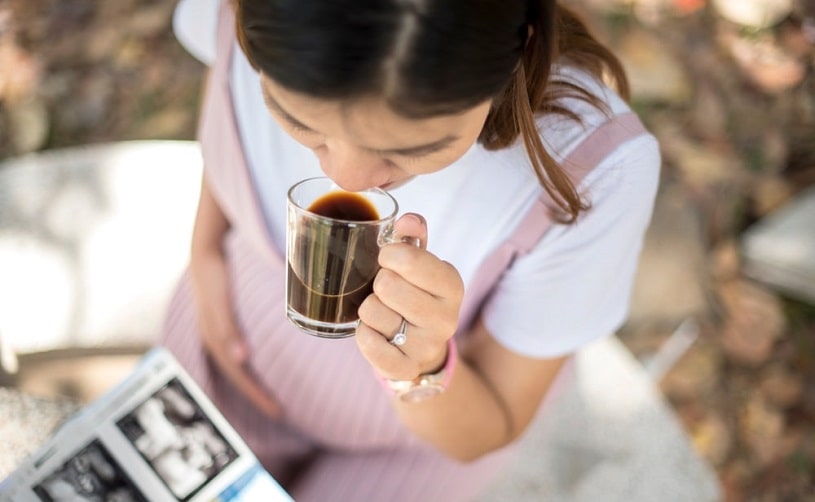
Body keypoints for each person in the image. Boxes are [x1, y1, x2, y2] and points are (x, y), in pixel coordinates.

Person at [164, 0, 661, 499]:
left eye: (410, 149)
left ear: (516, 53)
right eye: (299, 122)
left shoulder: (590, 169)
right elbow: (227, 96)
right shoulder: (235, 12)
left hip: (409, 442)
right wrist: (205, 251)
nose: (348, 179)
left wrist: (420, 367)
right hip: (222, 349)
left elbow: (494, 421)